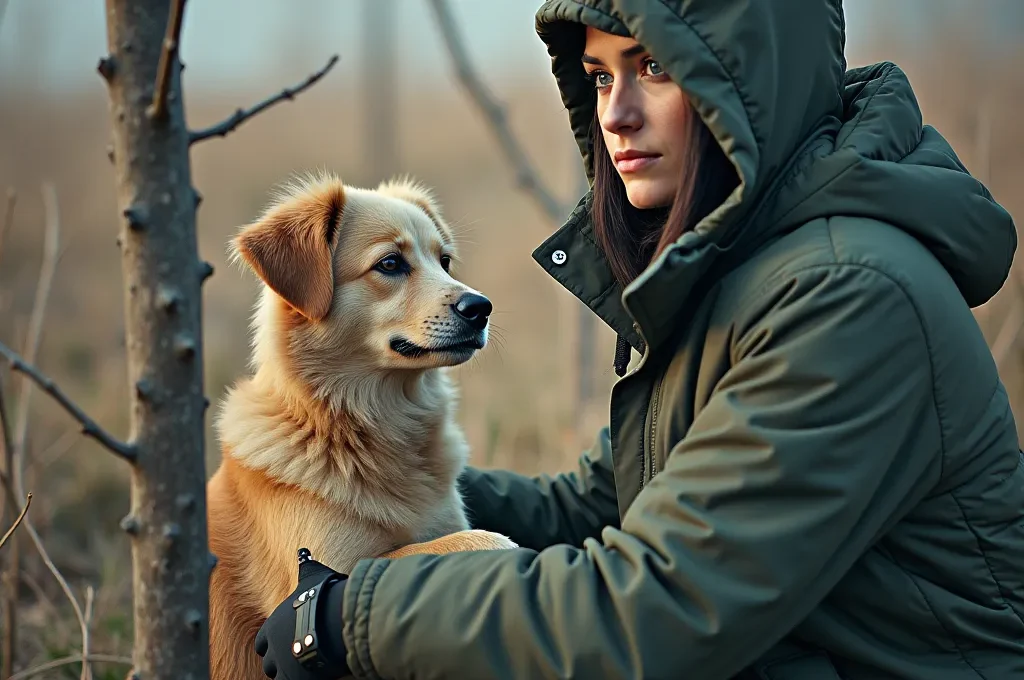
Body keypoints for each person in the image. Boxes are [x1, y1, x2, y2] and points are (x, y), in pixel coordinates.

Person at [252, 0, 1024, 678]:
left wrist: (353, 616)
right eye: (598, 76)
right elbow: (597, 508)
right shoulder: (734, 272)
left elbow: (651, 616)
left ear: (748, 81)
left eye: (653, 66)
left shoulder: (847, 297)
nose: (616, 114)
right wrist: (349, 488)